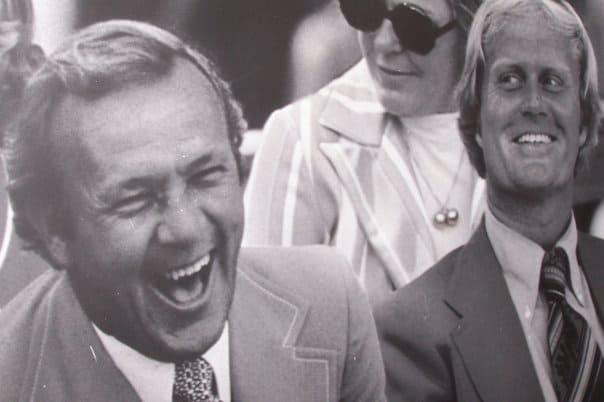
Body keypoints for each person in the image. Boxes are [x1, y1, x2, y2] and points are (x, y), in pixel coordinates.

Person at [0, 20, 386, 401]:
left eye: (205, 176)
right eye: (135, 199)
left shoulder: (330, 305)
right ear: (54, 230)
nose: (184, 228)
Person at [376, 0, 604, 400]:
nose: (534, 104)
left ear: (584, 123)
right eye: (510, 81)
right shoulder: (409, 330)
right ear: (476, 119)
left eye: (553, 81)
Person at [243, 0, 484, 309]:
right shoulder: (303, 139)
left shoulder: (532, 131)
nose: (384, 43)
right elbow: (270, 330)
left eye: (413, 26)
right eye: (364, 12)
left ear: (473, 25)